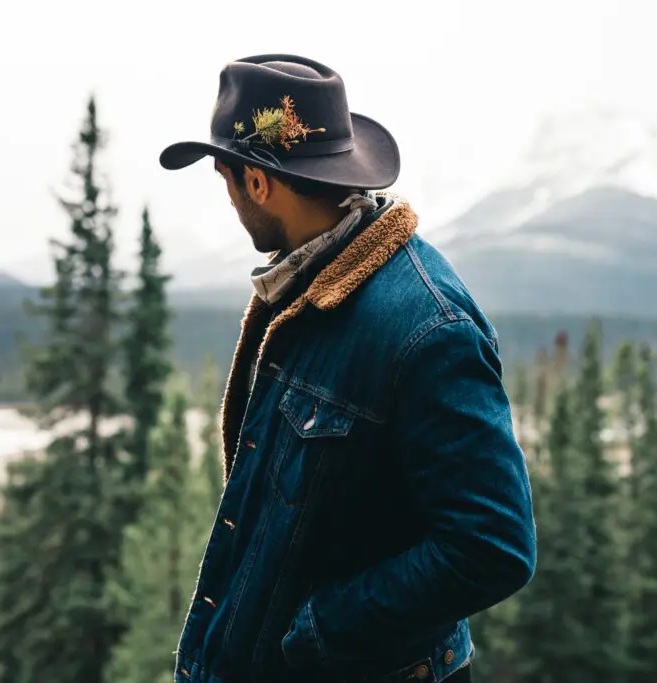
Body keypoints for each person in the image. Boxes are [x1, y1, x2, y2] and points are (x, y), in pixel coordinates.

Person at [158, 53, 536, 683]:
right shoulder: (310, 286)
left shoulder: (427, 328)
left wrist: (319, 632)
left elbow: (492, 546)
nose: (227, 197)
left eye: (226, 176)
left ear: (259, 183)